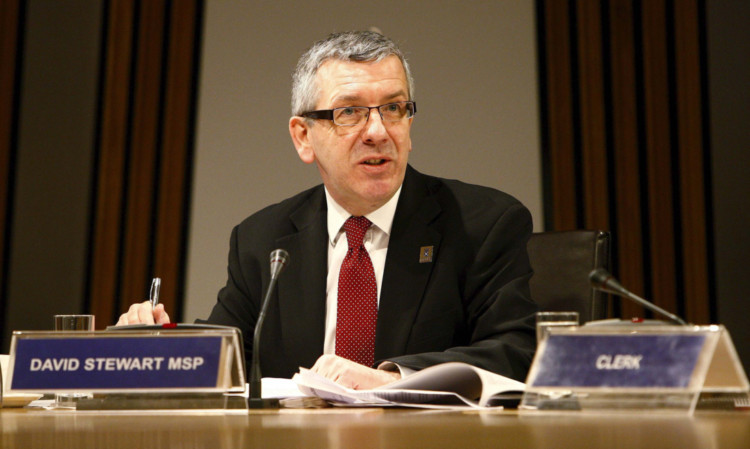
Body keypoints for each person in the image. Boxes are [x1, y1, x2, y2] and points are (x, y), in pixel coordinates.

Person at [117, 31, 538, 389]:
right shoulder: (263, 239)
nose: (377, 132)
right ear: (304, 137)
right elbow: (229, 361)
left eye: (393, 108)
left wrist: (396, 378)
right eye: (349, 112)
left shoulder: (483, 224)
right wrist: (154, 349)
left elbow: (518, 352)